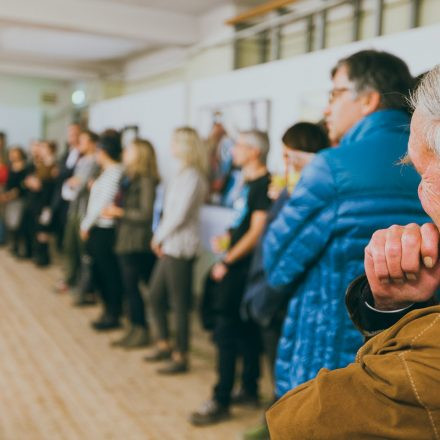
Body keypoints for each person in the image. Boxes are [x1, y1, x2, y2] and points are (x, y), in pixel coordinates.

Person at [266, 64, 440, 440]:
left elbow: (276, 266)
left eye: (335, 93)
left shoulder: (328, 168)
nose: (327, 108)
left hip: (325, 344)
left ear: (368, 99)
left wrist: (289, 191)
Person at [240, 122, 329, 440]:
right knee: (279, 367)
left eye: (290, 156)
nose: (285, 163)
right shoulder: (292, 191)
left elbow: (289, 250)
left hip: (283, 295)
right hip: (271, 291)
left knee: (293, 374)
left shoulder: (310, 194)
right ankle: (274, 421)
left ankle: (279, 425)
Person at [190, 130, 271, 426]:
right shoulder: (246, 183)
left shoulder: (265, 184)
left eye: (238, 146)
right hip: (235, 263)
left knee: (226, 332)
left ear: (254, 151)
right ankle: (248, 387)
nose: (233, 150)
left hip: (243, 270)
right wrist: (225, 240)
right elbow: (241, 225)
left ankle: (220, 398)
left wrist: (227, 259)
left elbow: (256, 231)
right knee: (244, 330)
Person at [145, 127, 208, 374]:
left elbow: (178, 215)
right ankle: (164, 343)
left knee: (179, 304)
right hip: (170, 244)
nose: (170, 145)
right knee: (155, 296)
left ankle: (181, 356)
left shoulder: (192, 176)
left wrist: (158, 237)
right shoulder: (182, 173)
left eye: (174, 141)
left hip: (180, 247)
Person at [103, 138, 159, 349]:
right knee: (129, 288)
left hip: (136, 240)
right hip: (124, 237)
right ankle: (135, 327)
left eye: (130, 149)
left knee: (133, 287)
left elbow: (145, 214)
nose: (125, 152)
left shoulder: (145, 180)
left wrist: (119, 212)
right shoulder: (129, 178)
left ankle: (141, 329)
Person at [80, 131, 124, 331]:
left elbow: (102, 204)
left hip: (104, 230)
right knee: (99, 271)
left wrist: (86, 224)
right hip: (97, 227)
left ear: (104, 151)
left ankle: (112, 312)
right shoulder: (107, 172)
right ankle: (107, 309)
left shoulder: (115, 172)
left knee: (108, 273)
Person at [58, 130, 99, 293]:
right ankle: (70, 279)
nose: (79, 144)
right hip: (74, 208)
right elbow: (71, 183)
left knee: (83, 251)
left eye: (82, 140)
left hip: (85, 211)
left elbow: (79, 185)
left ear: (92, 143)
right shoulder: (81, 161)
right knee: (70, 246)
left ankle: (86, 286)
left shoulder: (95, 162)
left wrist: (75, 182)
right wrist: (74, 182)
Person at [0, 147, 28, 255]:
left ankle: (21, 248)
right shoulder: (11, 167)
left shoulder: (25, 167)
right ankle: (14, 246)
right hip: (9, 197)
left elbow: (22, 185)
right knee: (10, 222)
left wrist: (12, 194)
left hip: (19, 198)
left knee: (18, 223)